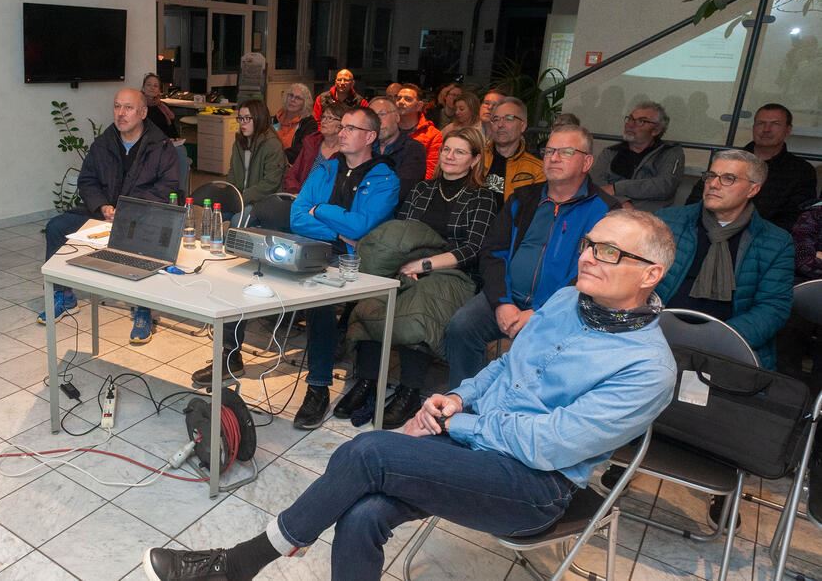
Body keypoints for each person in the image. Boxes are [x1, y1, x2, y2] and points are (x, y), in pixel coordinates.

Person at [143, 210, 678, 581]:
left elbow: (550, 446)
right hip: (480, 444)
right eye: (590, 244)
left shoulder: (647, 368)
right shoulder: (566, 300)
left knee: (368, 451)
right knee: (363, 513)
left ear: (651, 274)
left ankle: (241, 563)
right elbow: (506, 370)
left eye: (610, 252)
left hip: (534, 486)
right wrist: (459, 399)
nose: (590, 257)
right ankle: (239, 566)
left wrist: (459, 426)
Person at [191, 108, 399, 430]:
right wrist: (334, 225)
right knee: (243, 273)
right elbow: (298, 215)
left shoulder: (385, 178)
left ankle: (317, 387)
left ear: (370, 136)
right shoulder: (326, 168)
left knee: (321, 306)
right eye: (340, 126)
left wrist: (323, 212)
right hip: (311, 244)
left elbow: (361, 227)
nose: (341, 133)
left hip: (347, 261)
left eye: (350, 128)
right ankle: (230, 356)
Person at [338, 126, 498, 428]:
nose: (450, 156)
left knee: (421, 308)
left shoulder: (483, 197)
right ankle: (367, 380)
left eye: (460, 152)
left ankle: (409, 390)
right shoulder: (422, 189)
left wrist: (424, 265)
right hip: (407, 265)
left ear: (475, 159)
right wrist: (404, 265)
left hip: (454, 273)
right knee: (374, 300)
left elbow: (473, 249)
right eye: (447, 150)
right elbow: (402, 234)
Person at [443, 126, 618, 388]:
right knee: (461, 327)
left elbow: (596, 272)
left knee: (542, 351)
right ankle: (461, 408)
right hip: (508, 297)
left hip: (564, 308)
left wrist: (540, 312)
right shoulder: (523, 198)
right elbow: (493, 252)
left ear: (587, 162)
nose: (554, 158)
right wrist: (502, 302)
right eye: (549, 151)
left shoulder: (605, 210)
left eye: (566, 152)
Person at [38, 88, 180, 345]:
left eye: (128, 107)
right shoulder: (103, 144)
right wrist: (102, 206)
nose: (121, 113)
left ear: (143, 112)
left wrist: (129, 210)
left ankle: (143, 309)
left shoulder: (160, 146)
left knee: (141, 243)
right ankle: (64, 295)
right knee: (56, 228)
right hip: (102, 213)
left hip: (139, 218)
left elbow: (167, 188)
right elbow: (88, 180)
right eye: (117, 107)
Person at [656, 149, 795, 371]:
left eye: (728, 178)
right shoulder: (668, 222)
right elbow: (635, 280)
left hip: (730, 348)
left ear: (753, 189)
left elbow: (773, 308)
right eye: (711, 176)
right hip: (659, 337)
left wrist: (717, 340)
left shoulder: (775, 241)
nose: (713, 184)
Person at [684, 104, 817, 232]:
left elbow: (795, 219)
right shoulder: (728, 160)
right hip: (708, 230)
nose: (766, 129)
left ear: (788, 130)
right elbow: (695, 201)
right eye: (760, 123)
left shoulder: (801, 171)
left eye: (775, 124)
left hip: (762, 240)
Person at [590, 102, 685, 212]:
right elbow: (596, 183)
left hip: (650, 218)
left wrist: (617, 188)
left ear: (656, 130)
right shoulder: (611, 152)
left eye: (641, 121)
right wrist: (622, 202)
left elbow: (664, 185)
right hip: (610, 212)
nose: (630, 124)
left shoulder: (670, 152)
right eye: (630, 119)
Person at [482, 96, 545, 208]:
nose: (500, 124)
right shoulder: (477, 157)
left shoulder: (538, 170)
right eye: (496, 119)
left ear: (523, 126)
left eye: (509, 118)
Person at [227, 99, 286, 217]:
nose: (242, 123)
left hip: (264, 202)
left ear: (259, 118)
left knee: (236, 220)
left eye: (247, 118)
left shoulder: (272, 145)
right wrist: (231, 195)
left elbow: (271, 183)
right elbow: (232, 172)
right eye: (240, 118)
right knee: (215, 214)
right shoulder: (239, 143)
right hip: (241, 199)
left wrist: (244, 197)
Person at [369, 96, 426, 202]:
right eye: (372, 116)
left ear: (397, 117)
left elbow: (401, 191)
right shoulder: (365, 146)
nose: (377, 121)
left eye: (382, 114)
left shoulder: (413, 149)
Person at [283, 102, 347, 194]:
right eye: (323, 117)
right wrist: (296, 192)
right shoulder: (311, 143)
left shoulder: (346, 151)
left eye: (329, 118)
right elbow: (292, 175)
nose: (324, 121)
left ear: (342, 124)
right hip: (299, 196)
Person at [395, 84, 443, 180]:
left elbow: (431, 172)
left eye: (407, 99)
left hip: (415, 189)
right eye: (398, 98)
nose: (400, 102)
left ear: (419, 106)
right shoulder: (386, 129)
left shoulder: (433, 135)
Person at [273, 83, 317, 164]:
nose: (292, 100)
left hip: (292, 166)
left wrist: (277, 156)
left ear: (305, 103)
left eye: (298, 98)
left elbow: (303, 149)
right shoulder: (276, 118)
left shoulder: (309, 123)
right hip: (271, 162)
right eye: (291, 95)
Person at [141, 73, 177, 138]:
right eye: (149, 85)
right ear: (143, 88)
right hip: (149, 143)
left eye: (155, 86)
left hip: (167, 141)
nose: (152, 88)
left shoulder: (162, 106)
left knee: (181, 148)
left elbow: (171, 128)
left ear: (159, 91)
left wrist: (175, 139)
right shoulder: (138, 106)